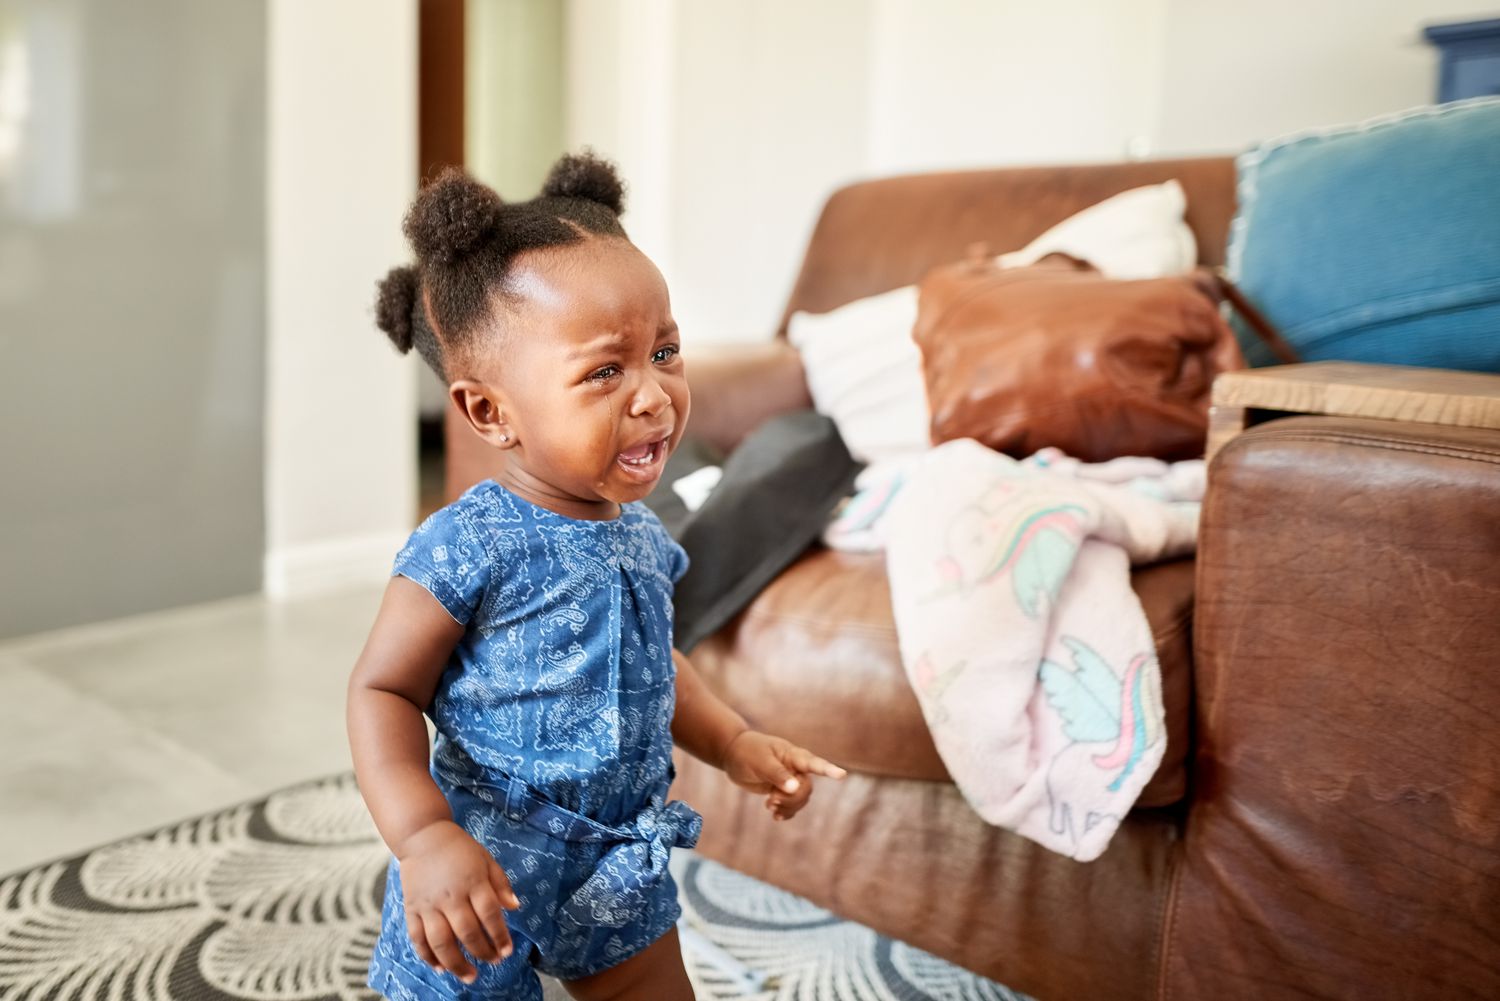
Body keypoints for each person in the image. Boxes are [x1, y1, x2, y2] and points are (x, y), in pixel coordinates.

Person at [348, 152, 846, 1001]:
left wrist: (733, 741)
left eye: (666, 351)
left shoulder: (644, 537)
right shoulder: (470, 543)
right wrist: (424, 835)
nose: (654, 395)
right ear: (489, 412)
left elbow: (651, 668)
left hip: (617, 857)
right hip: (481, 867)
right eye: (606, 371)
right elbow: (382, 691)